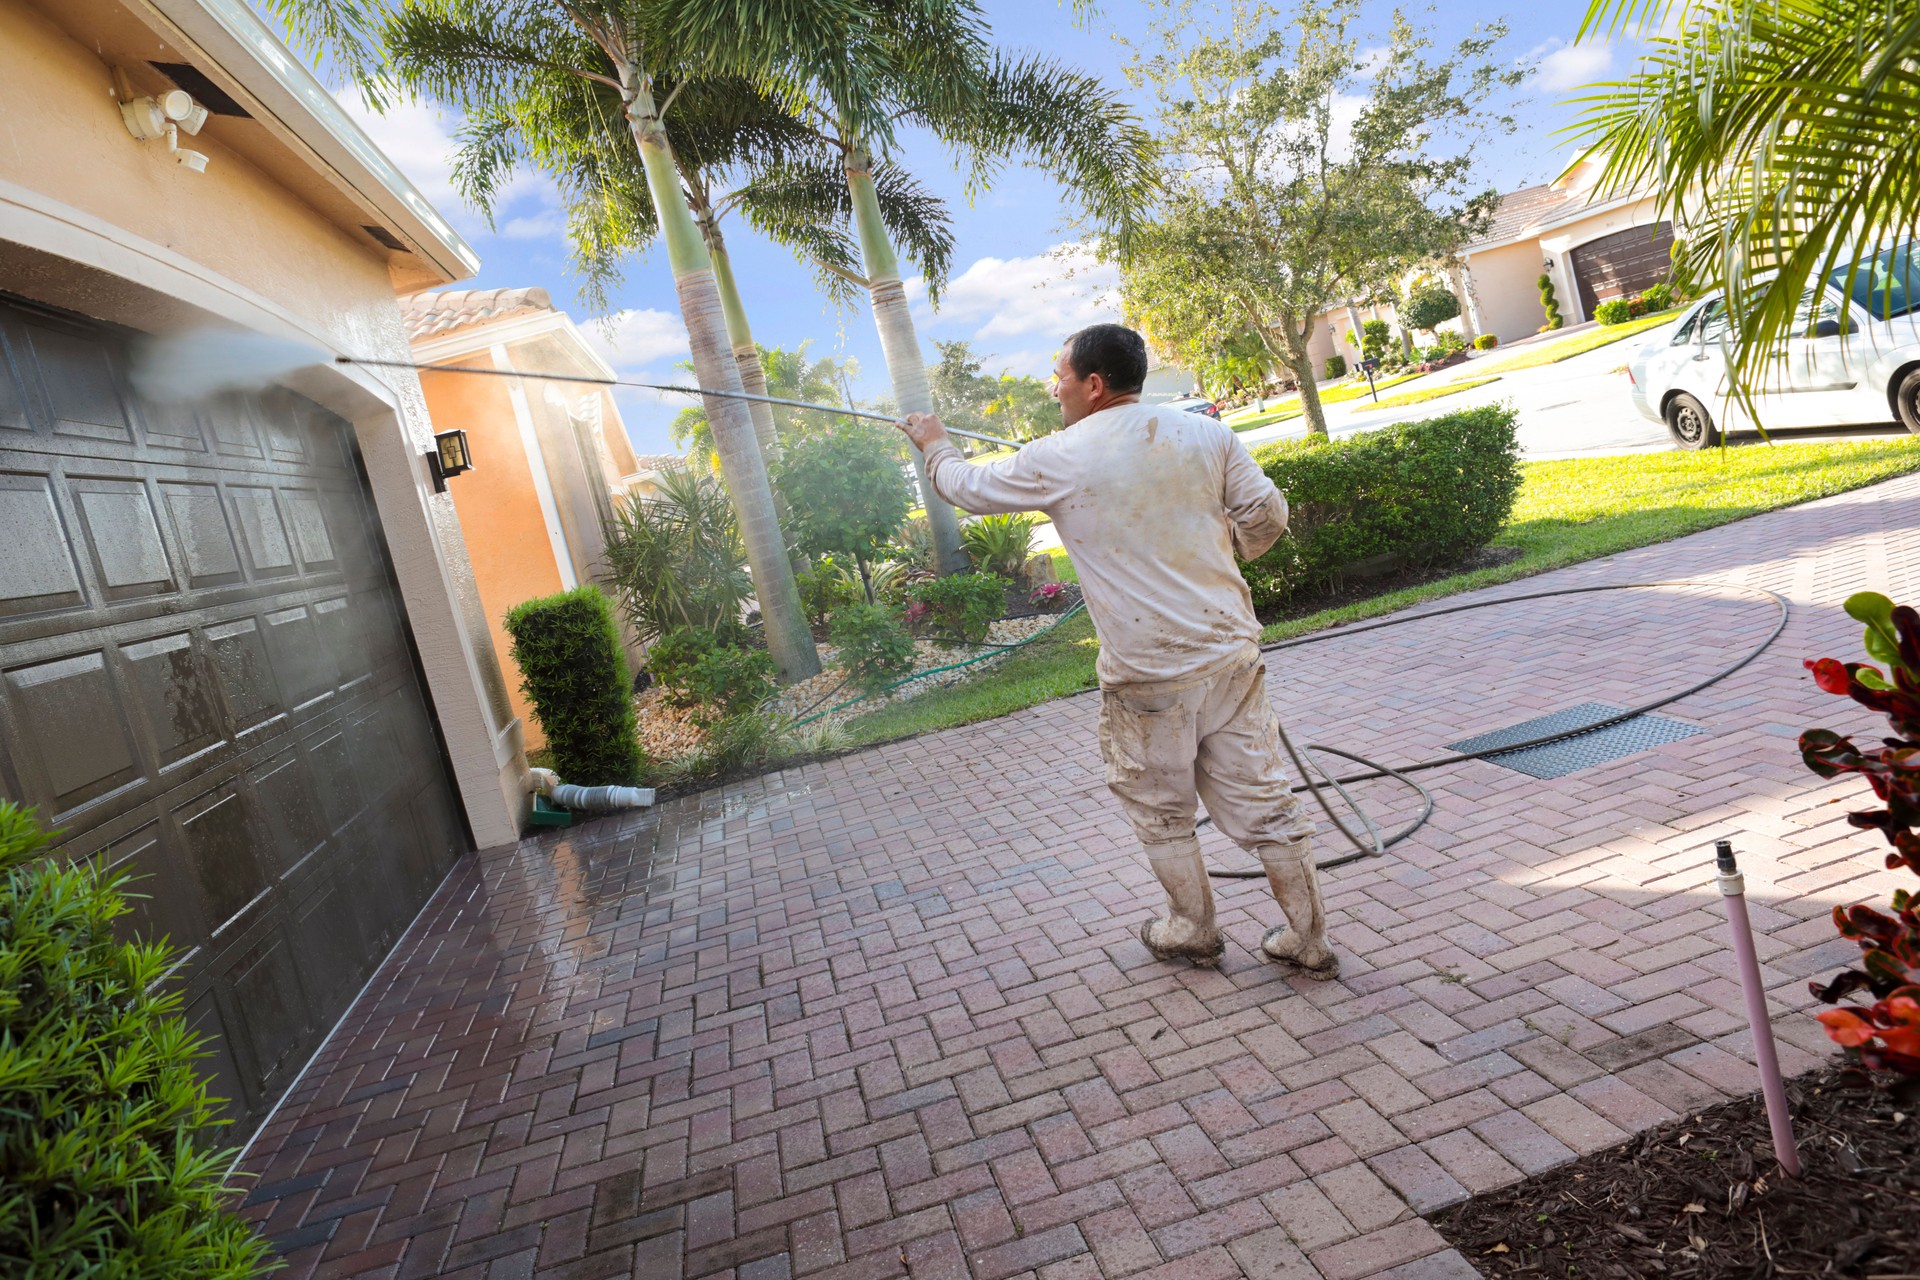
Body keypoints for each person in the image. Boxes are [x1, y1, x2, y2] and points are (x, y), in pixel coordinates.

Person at [896, 323, 1337, 976]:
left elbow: (965, 488)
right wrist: (1232, 549)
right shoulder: (1206, 433)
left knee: (1162, 812)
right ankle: (1309, 941)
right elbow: (1268, 516)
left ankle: (1192, 929)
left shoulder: (1060, 456)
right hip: (1231, 657)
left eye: (1061, 376)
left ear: (1094, 385)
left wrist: (934, 444)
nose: (1055, 388)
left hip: (1148, 675)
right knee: (1268, 805)